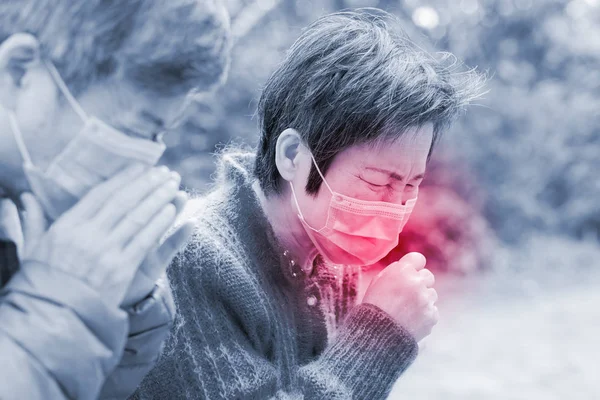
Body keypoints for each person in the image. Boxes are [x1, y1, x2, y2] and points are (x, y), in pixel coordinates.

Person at [133, 8, 483, 400]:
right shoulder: (194, 258)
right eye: (377, 181)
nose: (395, 207)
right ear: (292, 155)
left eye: (409, 187)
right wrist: (379, 334)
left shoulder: (330, 259)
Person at [0, 1, 231, 399]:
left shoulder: (25, 209)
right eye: (133, 129)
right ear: (20, 72)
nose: (142, 158)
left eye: (157, 138)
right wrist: (60, 307)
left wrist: (119, 314)